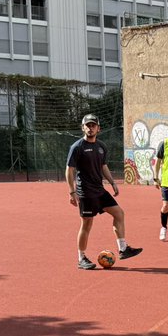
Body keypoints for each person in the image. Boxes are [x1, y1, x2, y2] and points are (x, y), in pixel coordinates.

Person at [67, 114, 142, 269]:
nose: (90, 128)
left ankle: (123, 249)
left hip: (100, 191)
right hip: (86, 193)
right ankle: (81, 258)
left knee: (119, 213)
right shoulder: (77, 147)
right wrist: (72, 192)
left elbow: (103, 166)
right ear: (83, 128)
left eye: (93, 125)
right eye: (87, 125)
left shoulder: (101, 147)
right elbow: (70, 170)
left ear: (98, 128)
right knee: (87, 224)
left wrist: (112, 182)